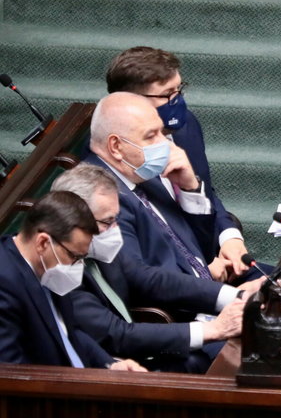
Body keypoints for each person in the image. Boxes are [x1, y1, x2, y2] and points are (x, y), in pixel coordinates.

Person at [52, 163, 257, 372]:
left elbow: (155, 282)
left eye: (116, 219)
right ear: (72, 221)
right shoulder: (59, 272)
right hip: (106, 371)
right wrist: (212, 330)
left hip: (136, 354)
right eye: (108, 221)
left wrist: (238, 297)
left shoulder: (100, 248)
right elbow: (115, 334)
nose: (115, 230)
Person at [105, 46, 250, 279]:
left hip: (210, 257)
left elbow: (206, 192)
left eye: (179, 89)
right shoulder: (116, 159)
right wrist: (200, 270)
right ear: (129, 102)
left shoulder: (184, 127)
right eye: (167, 94)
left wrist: (230, 237)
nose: (177, 101)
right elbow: (147, 248)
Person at [85, 91, 231, 282]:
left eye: (161, 133)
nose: (165, 144)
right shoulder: (104, 198)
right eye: (151, 136)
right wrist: (229, 296)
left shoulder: (146, 176)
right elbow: (145, 282)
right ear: (116, 146)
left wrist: (190, 188)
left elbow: (204, 250)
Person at [0, 191, 145, 371]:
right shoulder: (5, 282)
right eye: (74, 256)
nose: (78, 266)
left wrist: (111, 365)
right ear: (43, 243)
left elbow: (70, 332)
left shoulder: (47, 267)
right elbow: (11, 376)